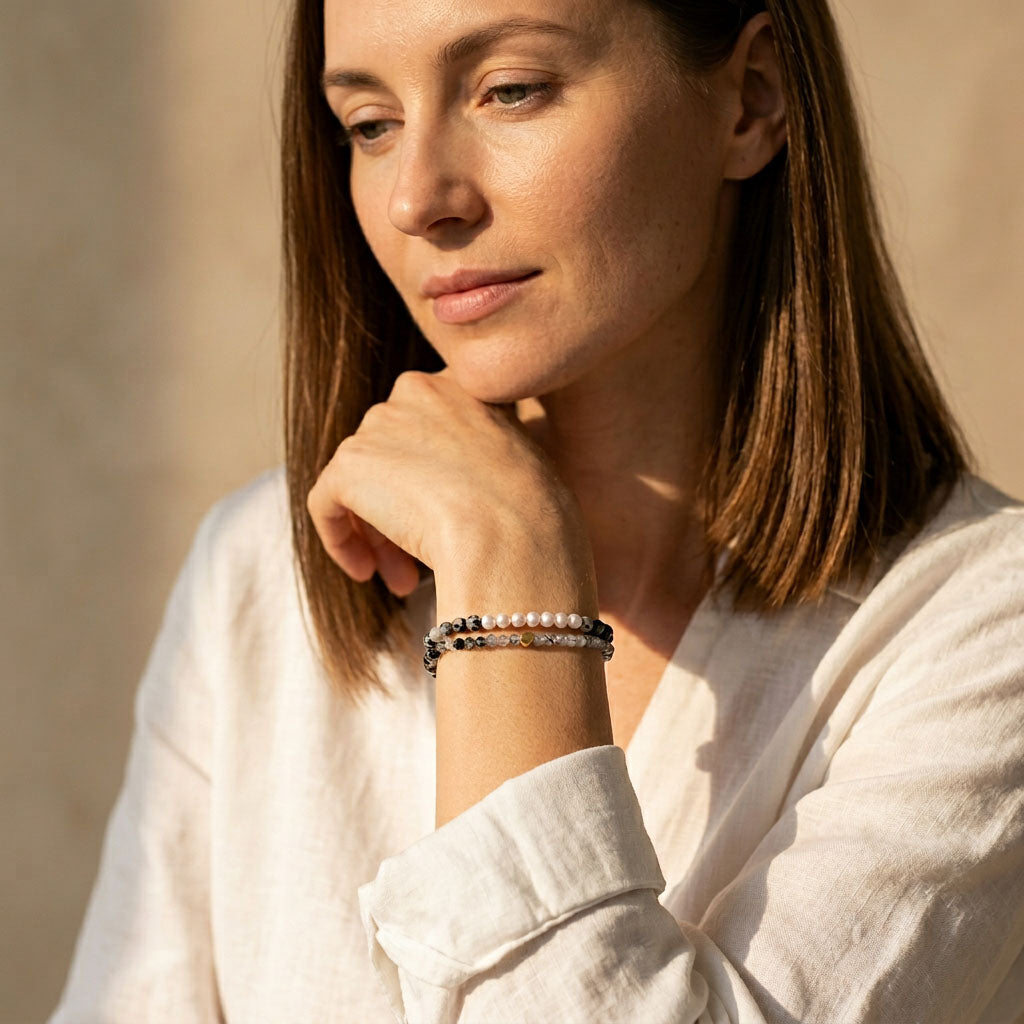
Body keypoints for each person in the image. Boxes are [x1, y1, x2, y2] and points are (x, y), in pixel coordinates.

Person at [49, 0, 1024, 1020]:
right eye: (370, 124)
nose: (418, 197)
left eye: (508, 89)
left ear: (750, 100)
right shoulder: (259, 573)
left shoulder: (978, 634)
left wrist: (509, 586)